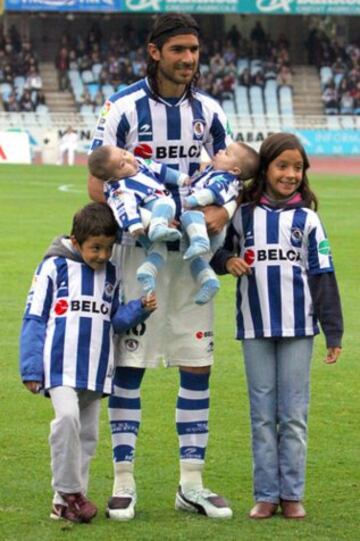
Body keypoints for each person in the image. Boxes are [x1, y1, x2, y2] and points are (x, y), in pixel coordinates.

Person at [88, 13, 234, 521]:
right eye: (179, 50)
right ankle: (123, 481)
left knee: (198, 366)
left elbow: (231, 173)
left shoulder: (211, 111)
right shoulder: (122, 107)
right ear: (155, 52)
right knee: (129, 366)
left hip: (193, 257)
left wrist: (221, 211)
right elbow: (96, 180)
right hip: (141, 253)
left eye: (194, 50)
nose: (189, 59)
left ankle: (190, 483)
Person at [211, 133, 343, 520]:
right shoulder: (243, 215)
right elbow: (218, 250)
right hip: (255, 328)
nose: (290, 174)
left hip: (299, 330)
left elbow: (323, 275)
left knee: (293, 415)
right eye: (282, 166)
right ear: (266, 168)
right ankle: (266, 493)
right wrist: (226, 262)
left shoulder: (309, 220)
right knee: (262, 414)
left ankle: (293, 493)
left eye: (297, 168)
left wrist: (332, 332)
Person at [19, 202, 157, 524]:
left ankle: (63, 503)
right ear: (76, 241)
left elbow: (115, 320)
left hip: (96, 368)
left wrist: (139, 308)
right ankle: (71, 492)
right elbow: (34, 317)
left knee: (87, 436)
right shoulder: (53, 267)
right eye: (95, 248)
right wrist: (30, 367)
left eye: (108, 248)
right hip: (60, 367)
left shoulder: (111, 273)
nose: (102, 255)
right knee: (66, 420)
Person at [88, 142, 259, 304]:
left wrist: (192, 198)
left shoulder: (224, 177)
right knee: (186, 256)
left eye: (125, 153)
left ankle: (196, 240)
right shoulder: (120, 188)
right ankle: (200, 279)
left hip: (202, 224)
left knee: (184, 216)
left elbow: (209, 191)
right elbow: (125, 208)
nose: (128, 159)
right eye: (121, 165)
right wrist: (137, 225)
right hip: (148, 231)